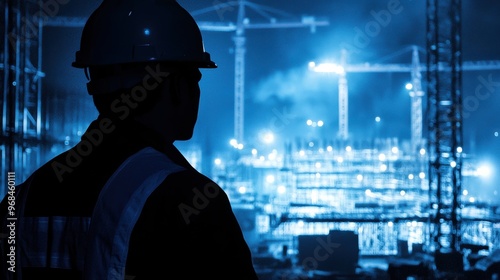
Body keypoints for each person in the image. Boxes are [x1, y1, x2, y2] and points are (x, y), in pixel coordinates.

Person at [0, 0, 259, 279]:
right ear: (173, 85)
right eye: (194, 78)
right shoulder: (188, 198)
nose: (197, 93)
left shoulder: (21, 197)